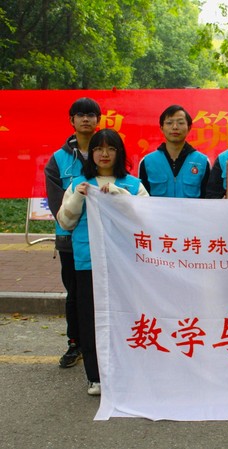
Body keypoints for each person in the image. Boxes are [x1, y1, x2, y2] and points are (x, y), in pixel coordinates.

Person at [57, 129, 149, 395]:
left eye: (111, 149)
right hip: (88, 262)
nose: (104, 154)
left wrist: (121, 197)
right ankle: (95, 376)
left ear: (119, 153)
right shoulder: (78, 184)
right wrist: (78, 197)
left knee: (126, 317)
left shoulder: (133, 185)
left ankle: (126, 372)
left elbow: (146, 218)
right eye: (98, 149)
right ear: (92, 153)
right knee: (89, 319)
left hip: (125, 264)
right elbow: (65, 222)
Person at [44, 97, 101, 369]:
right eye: (80, 114)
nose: (86, 119)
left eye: (91, 114)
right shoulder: (58, 160)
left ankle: (100, 343)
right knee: (75, 293)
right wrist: (72, 223)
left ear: (98, 120)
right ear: (72, 120)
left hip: (103, 239)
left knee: (103, 292)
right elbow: (57, 202)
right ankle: (75, 343)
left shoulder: (107, 151)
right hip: (70, 239)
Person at [139, 105, 210, 198]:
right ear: (161, 128)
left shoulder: (202, 161)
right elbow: (142, 200)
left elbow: (208, 199)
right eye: (169, 123)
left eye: (180, 123)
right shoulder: (147, 161)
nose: (175, 127)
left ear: (189, 128)